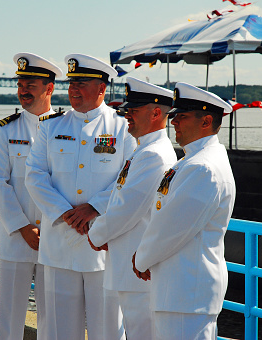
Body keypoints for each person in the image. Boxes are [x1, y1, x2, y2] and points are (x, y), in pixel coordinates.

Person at [25, 53, 135, 340]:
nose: (74, 90)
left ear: (101, 88)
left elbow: (130, 177)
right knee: (60, 332)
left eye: (82, 83)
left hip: (103, 247)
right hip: (59, 247)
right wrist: (64, 212)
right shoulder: (51, 126)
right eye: (71, 83)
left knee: (108, 331)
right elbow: (34, 176)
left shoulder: (123, 128)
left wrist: (94, 208)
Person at [133, 82, 236, 340]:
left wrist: (141, 258)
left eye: (183, 116)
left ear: (206, 121)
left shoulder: (203, 168)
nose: (174, 122)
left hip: (186, 292)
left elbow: (171, 229)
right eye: (175, 116)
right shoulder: (192, 161)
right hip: (179, 290)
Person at [87, 76, 177, 339]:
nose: (127, 116)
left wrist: (96, 234)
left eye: (134, 111)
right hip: (129, 266)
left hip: (137, 270)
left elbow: (127, 209)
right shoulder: (144, 150)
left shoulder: (153, 155)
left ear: (156, 113)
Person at [0, 52, 62, 340]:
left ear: (49, 88)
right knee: (8, 319)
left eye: (31, 84)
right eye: (21, 84)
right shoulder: (6, 130)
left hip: (53, 237)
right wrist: (22, 226)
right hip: (14, 238)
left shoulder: (65, 129)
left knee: (52, 319)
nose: (23, 90)